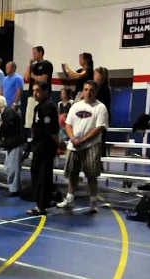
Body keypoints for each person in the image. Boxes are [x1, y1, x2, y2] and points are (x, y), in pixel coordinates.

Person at [57, 80, 108, 213]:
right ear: (83, 91)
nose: (88, 92)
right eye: (86, 89)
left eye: (91, 90)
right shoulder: (75, 106)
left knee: (91, 175)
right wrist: (73, 138)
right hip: (74, 145)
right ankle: (69, 199)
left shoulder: (100, 107)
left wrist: (83, 140)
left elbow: (99, 128)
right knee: (73, 173)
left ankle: (93, 202)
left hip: (91, 146)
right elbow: (68, 124)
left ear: (95, 91)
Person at [28, 81, 59, 215]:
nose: (35, 93)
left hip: (45, 147)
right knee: (36, 174)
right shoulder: (39, 107)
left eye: (38, 91)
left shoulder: (48, 107)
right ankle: (41, 202)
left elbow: (52, 129)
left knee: (43, 176)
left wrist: (58, 143)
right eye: (34, 90)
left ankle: (42, 205)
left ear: (46, 92)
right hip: (38, 146)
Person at [0, 95, 24, 197]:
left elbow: (9, 129)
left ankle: (14, 190)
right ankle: (13, 188)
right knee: (10, 166)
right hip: (13, 143)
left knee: (13, 167)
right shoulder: (8, 112)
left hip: (15, 143)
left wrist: (0, 127)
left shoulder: (8, 114)